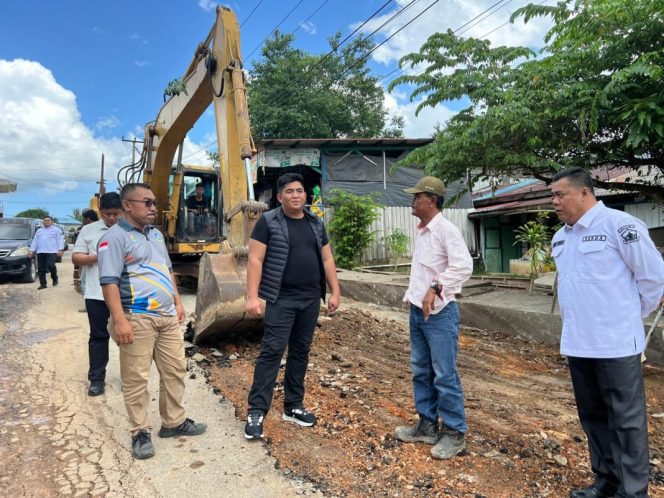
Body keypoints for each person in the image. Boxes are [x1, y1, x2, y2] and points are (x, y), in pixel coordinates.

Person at [550, 167, 664, 498]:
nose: (554, 202)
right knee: (593, 417)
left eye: (560, 194)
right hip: (578, 342)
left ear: (585, 193)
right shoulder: (561, 237)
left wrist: (629, 315)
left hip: (615, 344)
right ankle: (606, 480)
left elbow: (654, 278)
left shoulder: (620, 226)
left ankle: (632, 491)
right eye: (552, 196)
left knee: (626, 423)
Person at [98, 183, 206, 460]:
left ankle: (174, 422)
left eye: (154, 203)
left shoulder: (156, 234)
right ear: (127, 206)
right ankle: (139, 431)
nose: (153, 208)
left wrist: (178, 302)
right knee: (136, 379)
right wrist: (120, 321)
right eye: (147, 202)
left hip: (167, 316)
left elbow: (167, 269)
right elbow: (109, 283)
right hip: (136, 317)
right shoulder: (114, 238)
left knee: (175, 370)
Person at [244, 172, 340, 440]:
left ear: (305, 195)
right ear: (279, 197)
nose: (295, 195)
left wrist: (335, 291)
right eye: (289, 191)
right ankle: (256, 410)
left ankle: (293, 406)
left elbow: (327, 259)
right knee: (272, 351)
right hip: (281, 299)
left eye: (299, 191)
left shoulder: (315, 223)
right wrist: (252, 296)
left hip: (310, 299)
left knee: (300, 352)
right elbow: (255, 260)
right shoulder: (267, 222)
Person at [395, 176, 473, 460]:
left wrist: (436, 287)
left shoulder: (446, 230)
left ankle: (454, 432)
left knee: (444, 374)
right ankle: (427, 424)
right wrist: (416, 295)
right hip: (418, 312)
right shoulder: (425, 231)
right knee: (421, 370)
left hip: (440, 315)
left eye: (417, 197)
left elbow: (464, 266)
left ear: (432, 200)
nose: (412, 201)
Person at [72, 193, 122, 396]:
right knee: (98, 336)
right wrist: (98, 256)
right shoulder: (89, 230)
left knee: (128, 337)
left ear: (123, 211)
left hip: (125, 293)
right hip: (96, 293)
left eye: (116, 214)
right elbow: (76, 258)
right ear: (101, 212)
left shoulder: (129, 230)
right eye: (108, 214)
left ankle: (130, 379)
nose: (112, 218)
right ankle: (97, 379)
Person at [28, 216, 64, 290]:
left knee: (51, 265)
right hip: (41, 251)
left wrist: (60, 250)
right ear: (43, 222)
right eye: (45, 220)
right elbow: (35, 241)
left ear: (52, 222)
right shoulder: (39, 231)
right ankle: (43, 284)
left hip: (52, 251)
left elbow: (60, 240)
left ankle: (54, 277)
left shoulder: (57, 230)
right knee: (41, 269)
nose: (47, 222)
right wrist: (32, 250)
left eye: (48, 220)